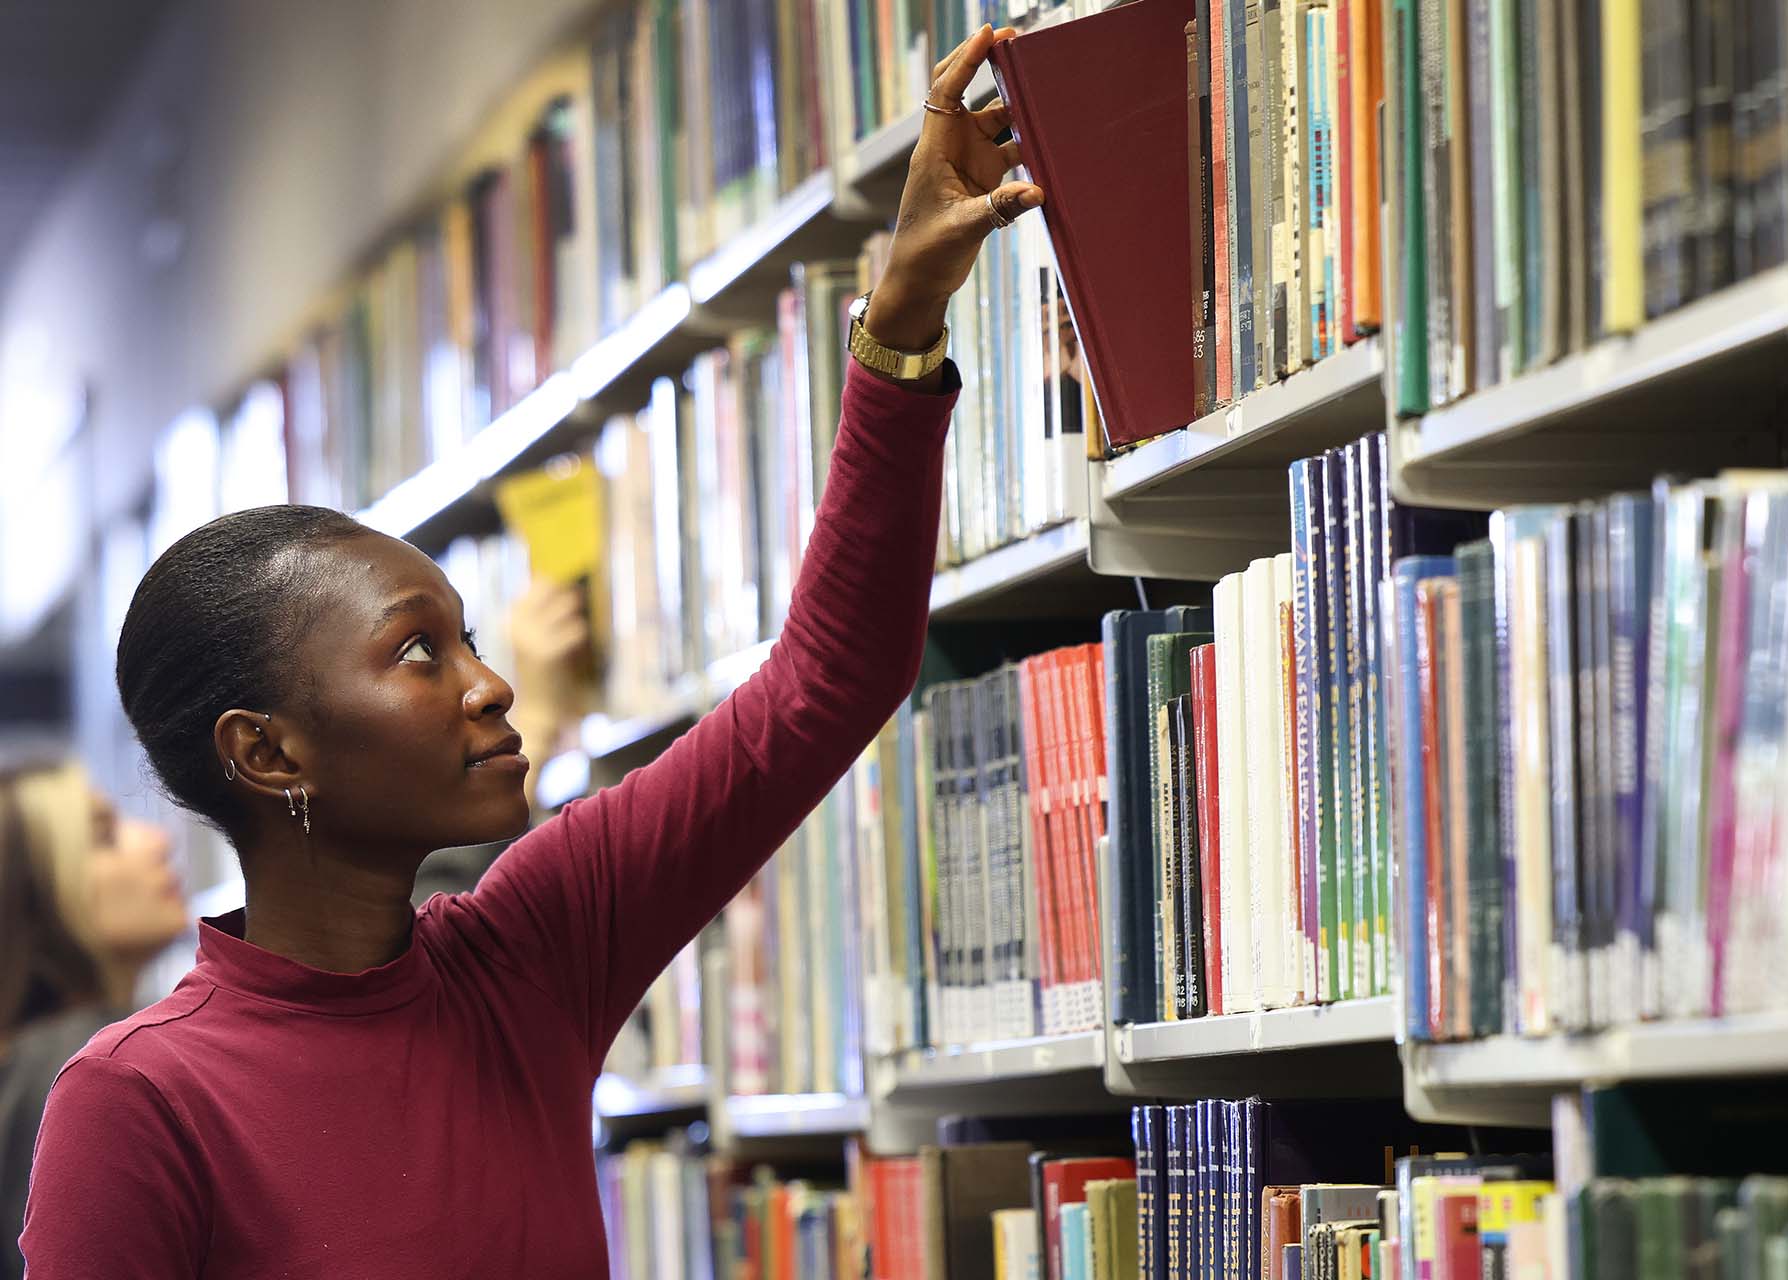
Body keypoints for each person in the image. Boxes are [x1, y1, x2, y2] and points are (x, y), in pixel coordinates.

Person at [20, 25, 1042, 1277]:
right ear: (268, 749)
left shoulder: (533, 947)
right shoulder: (141, 1099)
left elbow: (826, 684)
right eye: (415, 654)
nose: (491, 681)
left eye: (464, 635)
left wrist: (901, 315)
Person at [0, 762, 187, 1280]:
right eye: (103, 836)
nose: (155, 841)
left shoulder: (36, 1060)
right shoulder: (92, 1066)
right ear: (30, 894)